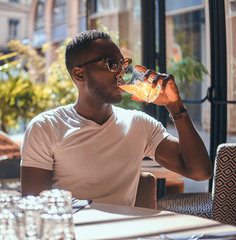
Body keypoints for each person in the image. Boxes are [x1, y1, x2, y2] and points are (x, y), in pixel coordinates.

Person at [20, 30, 213, 206]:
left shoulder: (139, 124)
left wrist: (175, 106)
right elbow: (34, 207)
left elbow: (200, 172)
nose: (121, 73)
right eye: (112, 64)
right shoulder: (46, 127)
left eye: (123, 64)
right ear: (79, 74)